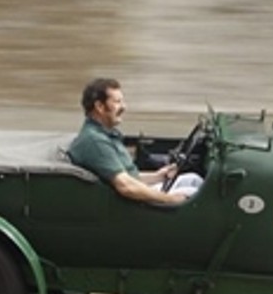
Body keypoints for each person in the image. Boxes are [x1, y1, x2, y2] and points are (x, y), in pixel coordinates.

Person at [67, 77, 202, 204]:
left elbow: (129, 177)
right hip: (130, 205)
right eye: (117, 102)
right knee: (198, 194)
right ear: (100, 107)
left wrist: (158, 176)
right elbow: (126, 187)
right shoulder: (95, 142)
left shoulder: (104, 135)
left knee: (194, 180)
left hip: (134, 196)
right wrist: (169, 199)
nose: (124, 107)